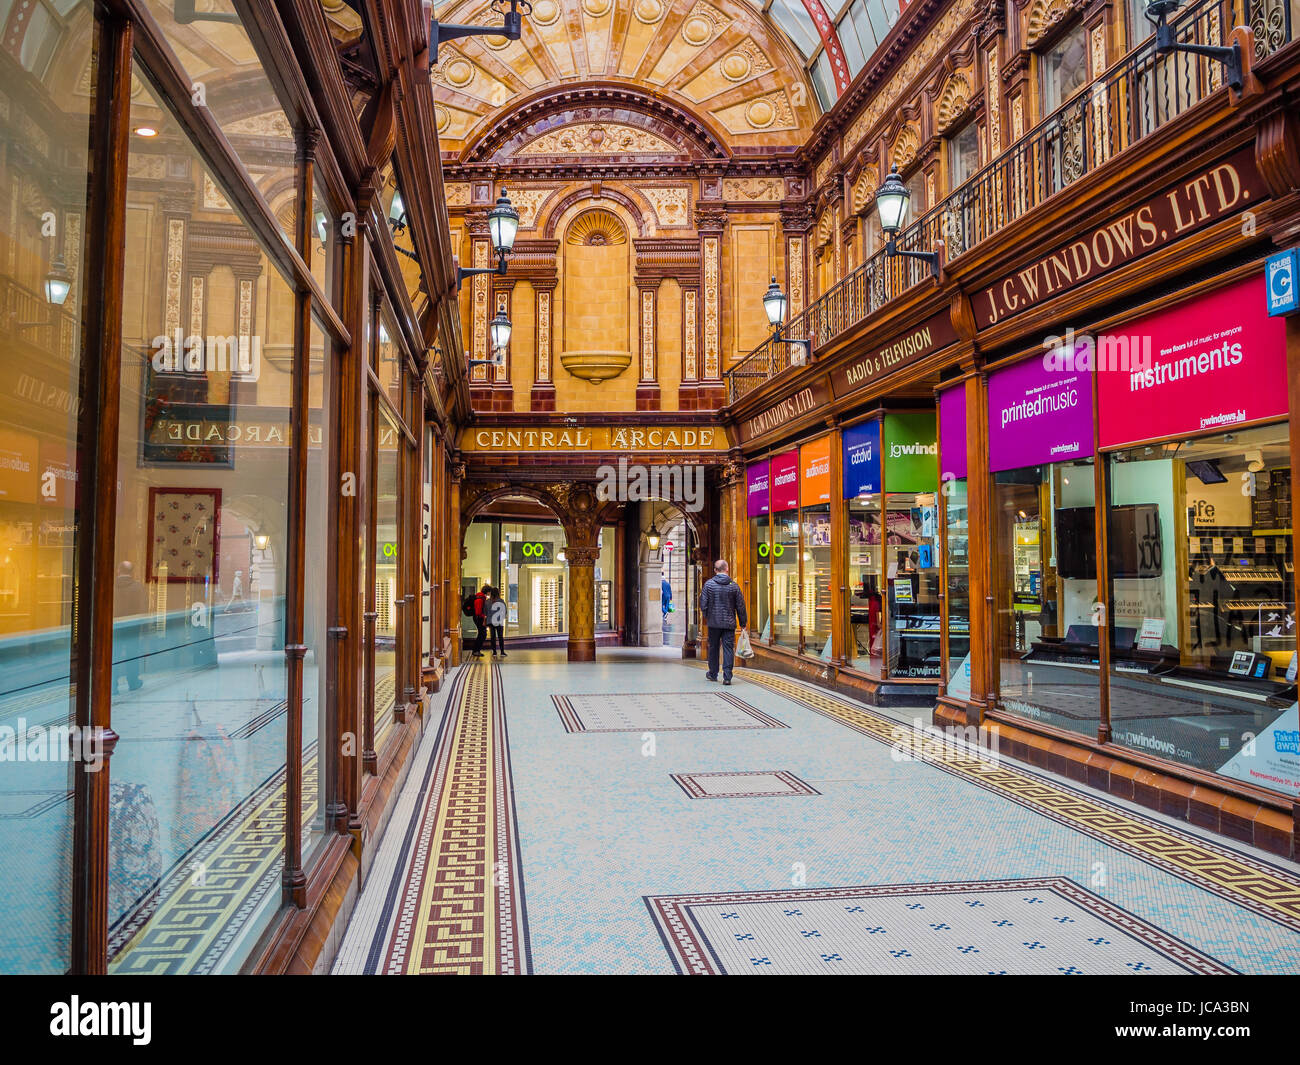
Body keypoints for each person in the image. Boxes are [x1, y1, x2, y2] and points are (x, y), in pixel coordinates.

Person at [699, 558, 747, 685]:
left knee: (713, 647)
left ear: (715, 570)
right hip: (729, 623)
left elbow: (703, 604)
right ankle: (727, 677)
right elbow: (740, 606)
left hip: (713, 623)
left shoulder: (708, 585)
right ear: (727, 569)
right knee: (728, 648)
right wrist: (743, 623)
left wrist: (708, 616)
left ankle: (713, 673)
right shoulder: (734, 586)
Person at [112, 560, 148, 692]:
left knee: (114, 655)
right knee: (132, 654)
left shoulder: (111, 586)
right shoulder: (138, 587)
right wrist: (144, 629)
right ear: (132, 572)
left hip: (114, 627)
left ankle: (113, 685)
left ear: (118, 570)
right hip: (133, 628)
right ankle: (133, 682)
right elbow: (143, 609)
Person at [487, 586, 507, 657]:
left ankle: (494, 652)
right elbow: (505, 612)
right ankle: (502, 652)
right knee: (500, 637)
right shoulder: (501, 601)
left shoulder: (488, 602)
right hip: (499, 621)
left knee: (493, 637)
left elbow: (485, 612)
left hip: (490, 621)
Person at [471, 583, 490, 658]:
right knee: (482, 634)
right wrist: (484, 617)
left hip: (478, 618)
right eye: (489, 592)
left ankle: (476, 650)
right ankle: (476, 650)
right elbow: (478, 612)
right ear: (487, 591)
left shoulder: (481, 597)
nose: (489, 593)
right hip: (479, 618)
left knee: (482, 634)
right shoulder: (480, 598)